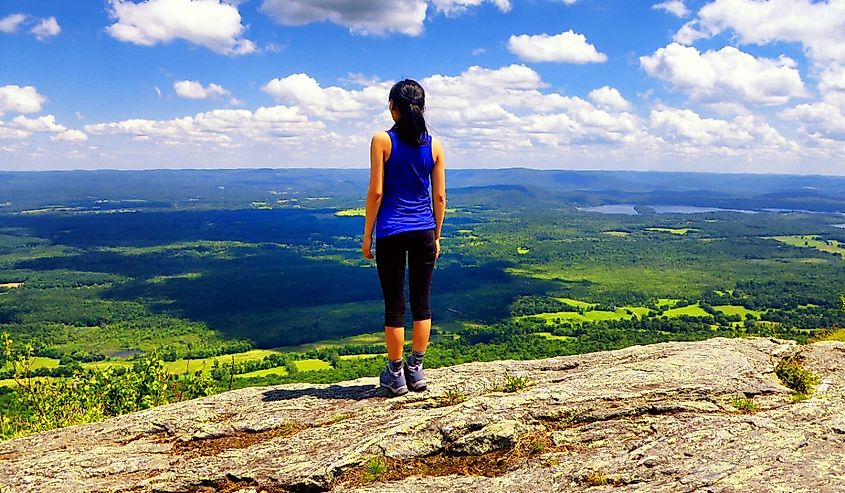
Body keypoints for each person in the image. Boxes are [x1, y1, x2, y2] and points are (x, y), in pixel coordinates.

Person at [362, 79, 446, 396]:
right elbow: (440, 198)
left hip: (391, 232)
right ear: (421, 108)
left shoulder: (381, 140)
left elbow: (376, 192)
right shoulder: (434, 145)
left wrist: (367, 235)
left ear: (393, 107)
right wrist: (436, 235)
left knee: (395, 306)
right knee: (422, 303)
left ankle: (396, 374)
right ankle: (417, 368)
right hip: (424, 229)